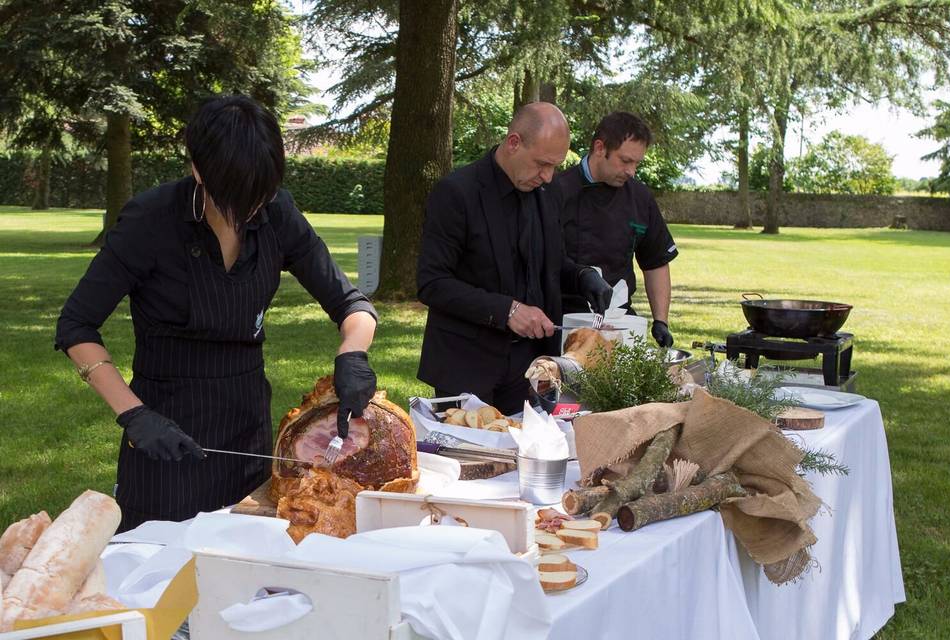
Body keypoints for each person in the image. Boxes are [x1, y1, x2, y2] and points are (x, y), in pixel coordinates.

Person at [55, 96, 379, 532]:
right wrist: (133, 415)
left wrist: (353, 353)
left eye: (258, 197)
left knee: (246, 560)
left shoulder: (277, 212)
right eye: (236, 198)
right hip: (164, 434)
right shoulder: (150, 220)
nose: (247, 213)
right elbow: (76, 325)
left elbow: (352, 305)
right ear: (198, 170)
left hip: (247, 426)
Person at [416, 102, 612, 414]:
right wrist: (507, 310)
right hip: (467, 363)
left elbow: (547, 263)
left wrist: (581, 276)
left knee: (530, 454)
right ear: (513, 143)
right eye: (541, 164)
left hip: (532, 365)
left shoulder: (548, 195)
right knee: (476, 460)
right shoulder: (456, 193)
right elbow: (432, 283)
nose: (548, 177)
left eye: (555, 167)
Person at [555, 112, 679, 347]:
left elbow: (656, 261)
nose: (632, 171)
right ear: (600, 148)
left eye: (637, 163)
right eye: (625, 161)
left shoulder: (640, 197)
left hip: (619, 320)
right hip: (564, 320)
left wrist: (660, 320)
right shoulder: (557, 191)